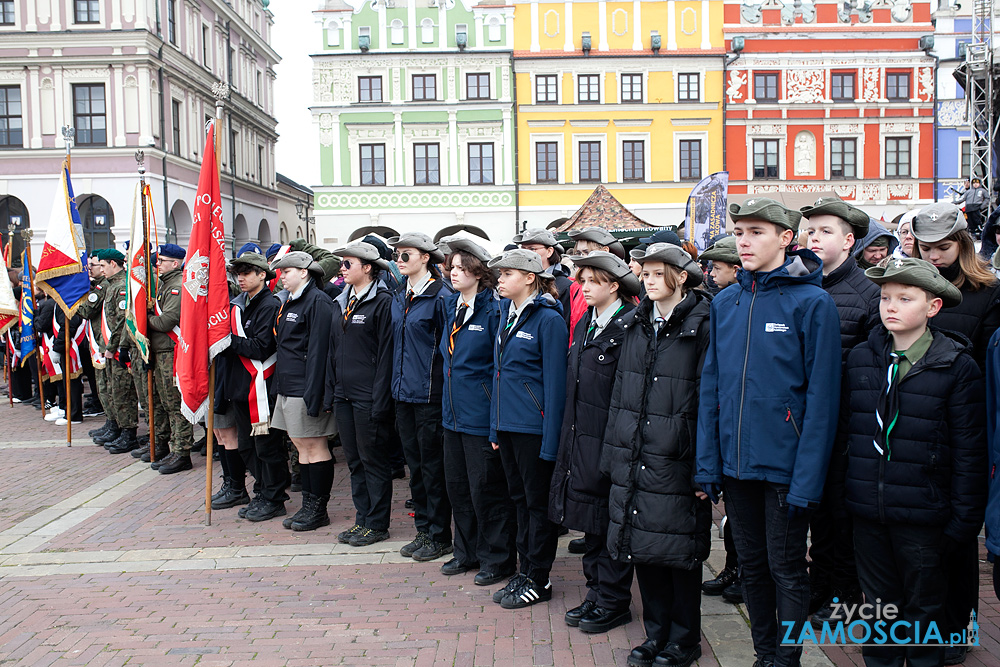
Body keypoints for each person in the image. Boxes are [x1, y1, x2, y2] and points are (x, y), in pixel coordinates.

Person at [696, 198, 841, 667]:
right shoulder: (725, 301)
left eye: (756, 232)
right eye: (739, 232)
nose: (743, 241)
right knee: (753, 568)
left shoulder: (812, 302)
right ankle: (765, 655)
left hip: (785, 467)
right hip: (736, 467)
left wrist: (807, 479)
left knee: (788, 570)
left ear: (785, 239)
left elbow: (822, 399)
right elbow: (711, 386)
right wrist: (708, 463)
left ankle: (788, 657)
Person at [842, 257, 987, 667]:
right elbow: (846, 435)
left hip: (925, 515)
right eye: (886, 297)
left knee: (924, 610)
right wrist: (846, 498)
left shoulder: (956, 367)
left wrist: (962, 521)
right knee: (880, 610)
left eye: (905, 298)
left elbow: (969, 451)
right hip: (869, 511)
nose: (891, 306)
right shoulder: (860, 360)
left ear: (932, 307)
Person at [603, 243, 711, 667]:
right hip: (634, 452)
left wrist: (705, 467)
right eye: (643, 273)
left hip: (676, 455)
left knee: (679, 551)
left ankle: (684, 639)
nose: (646, 280)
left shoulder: (704, 323)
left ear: (681, 276)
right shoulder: (635, 324)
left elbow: (710, 397)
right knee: (641, 547)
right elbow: (620, 395)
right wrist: (614, 454)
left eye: (655, 273)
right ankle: (656, 633)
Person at [910, 202, 1000, 664]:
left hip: (966, 428)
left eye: (943, 248)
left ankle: (958, 628)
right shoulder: (911, 288)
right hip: (919, 429)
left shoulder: (988, 294)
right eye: (926, 248)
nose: (934, 257)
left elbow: (990, 372)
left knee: (960, 536)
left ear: (962, 245)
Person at [798, 197, 880, 623]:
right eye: (810, 230)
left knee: (841, 516)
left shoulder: (869, 293)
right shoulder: (800, 284)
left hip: (848, 426)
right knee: (816, 514)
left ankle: (845, 593)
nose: (814, 237)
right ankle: (819, 585)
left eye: (825, 231)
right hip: (806, 422)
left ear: (849, 241)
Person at [549, 251, 639, 634]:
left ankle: (614, 599)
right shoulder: (588, 321)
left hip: (609, 441)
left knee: (611, 523)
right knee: (589, 520)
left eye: (591, 281)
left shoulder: (627, 327)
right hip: (581, 438)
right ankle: (596, 592)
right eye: (581, 280)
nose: (582, 287)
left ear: (613, 286)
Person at [487, 248, 568, 610]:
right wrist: (494, 428)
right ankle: (525, 570)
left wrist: (551, 442)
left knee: (537, 505)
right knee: (518, 501)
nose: (500, 280)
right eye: (499, 275)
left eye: (506, 274)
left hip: (533, 431)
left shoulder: (548, 320)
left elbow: (555, 385)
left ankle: (540, 577)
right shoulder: (507, 313)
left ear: (530, 278)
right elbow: (499, 375)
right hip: (507, 427)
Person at [437, 236, 515, 583]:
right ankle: (465, 552)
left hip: (480, 415)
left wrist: (495, 419)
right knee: (458, 488)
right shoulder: (453, 306)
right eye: (451, 267)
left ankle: (496, 559)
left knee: (487, 490)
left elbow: (498, 369)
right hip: (452, 414)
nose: (453, 273)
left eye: (461, 267)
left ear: (478, 272)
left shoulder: (494, 310)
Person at [386, 232, 455, 562]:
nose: (399, 260)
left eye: (406, 255)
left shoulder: (441, 296)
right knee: (416, 466)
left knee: (432, 468)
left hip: (429, 395)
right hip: (403, 394)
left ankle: (440, 534)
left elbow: (448, 350)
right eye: (397, 255)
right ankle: (424, 530)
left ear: (426, 257)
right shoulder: (400, 295)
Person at [329, 242, 395, 547]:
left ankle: (377, 524)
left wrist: (381, 398)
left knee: (373, 460)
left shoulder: (382, 301)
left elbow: (386, 355)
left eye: (347, 263)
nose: (342, 269)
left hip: (368, 395)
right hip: (344, 393)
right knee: (354, 460)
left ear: (367, 267)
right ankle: (363, 519)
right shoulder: (342, 301)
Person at [270, 251, 337, 532]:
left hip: (305, 387)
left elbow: (320, 351)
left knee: (315, 446)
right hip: (289, 385)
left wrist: (315, 394)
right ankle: (308, 503)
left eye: (287, 271)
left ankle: (317, 509)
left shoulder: (317, 301)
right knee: (301, 447)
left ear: (305, 272)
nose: (281, 276)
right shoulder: (291, 301)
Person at [219, 249, 287, 521]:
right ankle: (262, 491)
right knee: (247, 446)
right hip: (242, 387)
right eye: (238, 274)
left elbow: (260, 348)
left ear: (263, 274)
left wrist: (225, 340)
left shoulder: (269, 305)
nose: (241, 278)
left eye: (247, 273)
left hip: (261, 387)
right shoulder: (241, 304)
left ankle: (274, 497)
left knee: (267, 447)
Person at [146, 243, 194, 474]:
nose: (157, 264)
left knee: (176, 405)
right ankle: (175, 449)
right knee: (167, 403)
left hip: (172, 352)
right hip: (162, 352)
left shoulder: (176, 286)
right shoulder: (166, 285)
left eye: (161, 261)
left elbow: (166, 321)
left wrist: (144, 318)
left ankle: (182, 452)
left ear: (175, 263)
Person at [97, 249, 140, 454]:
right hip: (111, 348)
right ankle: (121, 429)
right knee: (114, 390)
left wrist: (112, 346)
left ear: (114, 264)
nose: (101, 270)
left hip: (119, 349)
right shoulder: (111, 286)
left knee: (123, 392)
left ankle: (129, 434)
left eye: (103, 265)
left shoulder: (121, 286)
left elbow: (123, 321)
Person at [512, 228, 584, 334]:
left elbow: (562, 329)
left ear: (549, 252)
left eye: (532, 249)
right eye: (523, 249)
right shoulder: (519, 282)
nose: (525, 254)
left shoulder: (564, 286)